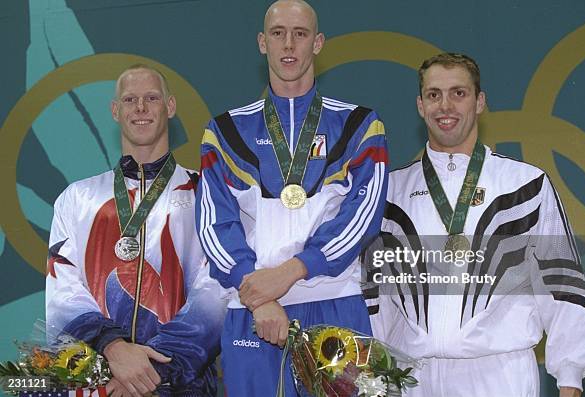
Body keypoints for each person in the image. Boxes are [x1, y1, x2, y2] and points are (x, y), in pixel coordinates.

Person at [365, 52, 585, 397]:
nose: (445, 106)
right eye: (434, 95)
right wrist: (368, 374)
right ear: (419, 105)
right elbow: (375, 296)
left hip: (499, 376)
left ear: (480, 101)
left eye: (459, 93)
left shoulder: (525, 185)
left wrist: (570, 379)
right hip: (412, 378)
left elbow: (562, 286)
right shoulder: (389, 193)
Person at [196, 0, 388, 395]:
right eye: (278, 33)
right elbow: (214, 225)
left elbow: (363, 215)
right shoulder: (225, 131)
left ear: (317, 43)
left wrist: (291, 272)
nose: (289, 44)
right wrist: (257, 295)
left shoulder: (359, 125)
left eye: (300, 34)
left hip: (334, 303)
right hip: (252, 310)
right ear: (262, 43)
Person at [46, 65, 226, 397]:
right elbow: (63, 291)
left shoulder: (208, 193)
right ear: (116, 111)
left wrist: (151, 370)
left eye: (151, 98)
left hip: (179, 383)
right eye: (130, 99)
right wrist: (113, 349)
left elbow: (217, 291)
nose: (140, 108)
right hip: (98, 381)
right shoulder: (77, 198)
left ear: (170, 107)